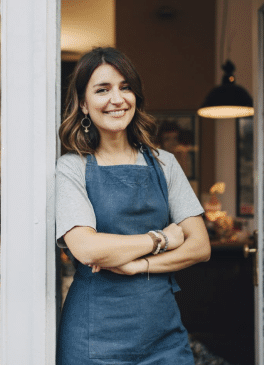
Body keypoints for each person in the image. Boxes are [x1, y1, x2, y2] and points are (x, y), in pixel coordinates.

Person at [55, 47, 211, 364]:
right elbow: (86, 249)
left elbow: (200, 246)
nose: (117, 99)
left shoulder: (164, 163)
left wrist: (140, 265)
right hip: (93, 340)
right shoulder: (72, 167)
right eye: (103, 90)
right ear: (84, 104)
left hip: (164, 340)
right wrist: (161, 239)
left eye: (125, 87)